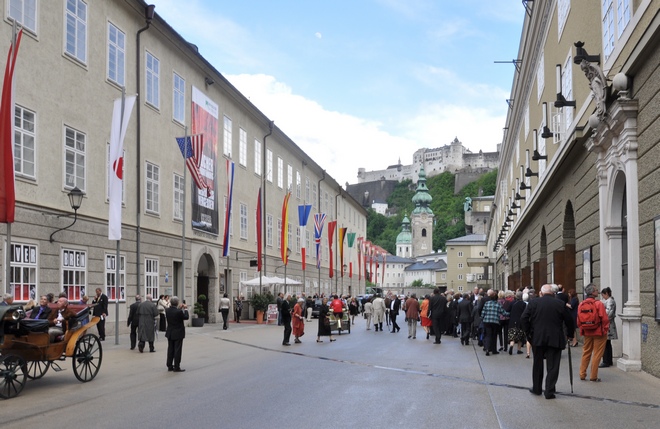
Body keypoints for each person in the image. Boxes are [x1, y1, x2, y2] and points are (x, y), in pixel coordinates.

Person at [520, 284, 574, 399]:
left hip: (537, 338)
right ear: (553, 293)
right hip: (555, 338)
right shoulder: (560, 304)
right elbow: (569, 320)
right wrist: (569, 334)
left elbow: (523, 318)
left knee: (537, 364)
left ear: (541, 293)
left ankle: (537, 388)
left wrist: (528, 333)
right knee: (553, 366)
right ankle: (549, 391)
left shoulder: (534, 303)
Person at [578, 283, 610, 382]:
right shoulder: (598, 304)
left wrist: (582, 329)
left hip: (587, 332)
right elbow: (604, 319)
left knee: (586, 352)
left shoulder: (581, 304)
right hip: (598, 332)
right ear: (592, 292)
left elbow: (578, 320)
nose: (598, 291)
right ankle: (593, 376)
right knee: (597, 354)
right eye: (596, 290)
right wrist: (605, 329)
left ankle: (582, 374)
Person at [165, 296, 189, 372]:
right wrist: (185, 309)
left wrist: (179, 308)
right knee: (177, 350)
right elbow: (186, 317)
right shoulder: (179, 312)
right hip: (178, 333)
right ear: (177, 303)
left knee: (170, 349)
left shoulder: (167, 310)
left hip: (170, 332)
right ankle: (176, 366)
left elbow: (174, 311)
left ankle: (169, 365)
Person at [481, 290, 508, 356]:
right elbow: (503, 313)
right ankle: (494, 350)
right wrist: (510, 314)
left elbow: (483, 313)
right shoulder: (498, 304)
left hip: (487, 321)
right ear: (496, 298)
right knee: (494, 336)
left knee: (488, 335)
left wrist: (482, 318)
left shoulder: (486, 303)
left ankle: (487, 349)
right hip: (495, 322)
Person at [599, 287, 617, 368]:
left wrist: (601, 311)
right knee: (607, 343)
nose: (603, 297)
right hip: (608, 324)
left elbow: (608, 313)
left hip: (608, 324)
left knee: (605, 343)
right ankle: (608, 360)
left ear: (606, 294)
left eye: (603, 295)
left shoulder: (610, 301)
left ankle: (606, 361)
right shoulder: (608, 301)